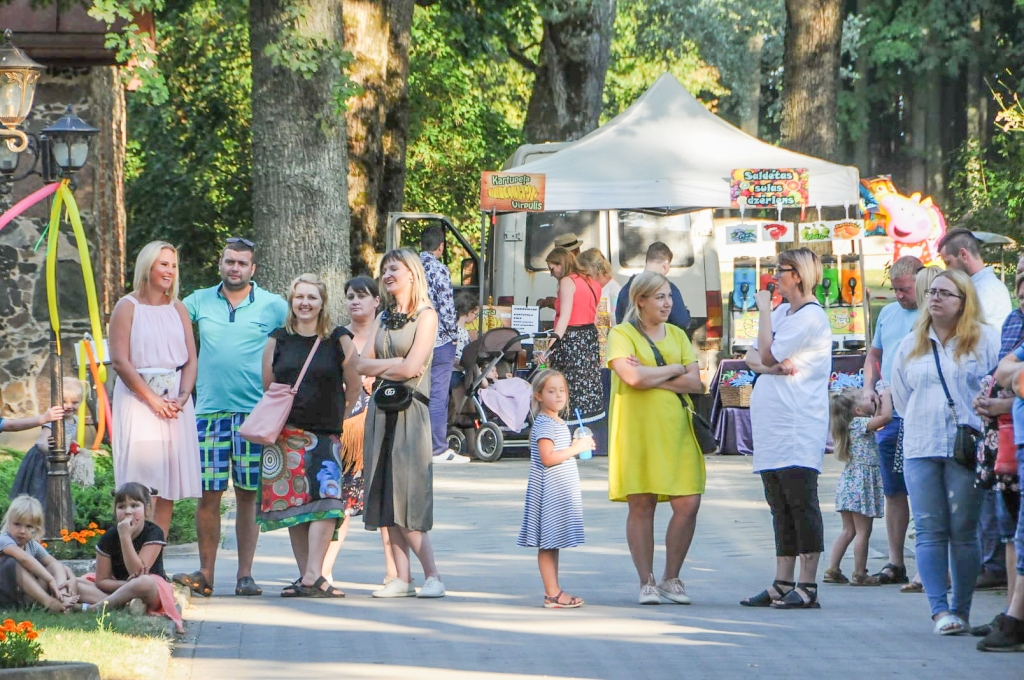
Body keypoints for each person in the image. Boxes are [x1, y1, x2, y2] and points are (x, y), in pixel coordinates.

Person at [173, 238, 287, 599]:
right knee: (209, 494)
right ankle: (205, 574)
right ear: (220, 264)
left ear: (253, 269)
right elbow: (164, 315)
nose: (234, 268)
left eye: (242, 263)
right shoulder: (198, 301)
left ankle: (245, 575)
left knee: (248, 495)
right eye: (229, 262)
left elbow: (303, 336)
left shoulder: (273, 306)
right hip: (209, 411)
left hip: (256, 416)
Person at [891, 269, 999, 635]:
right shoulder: (911, 342)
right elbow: (901, 396)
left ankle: (961, 610)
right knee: (929, 529)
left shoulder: (985, 340)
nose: (935, 298)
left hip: (966, 448)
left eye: (945, 293)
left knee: (964, 531)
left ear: (963, 302)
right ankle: (940, 611)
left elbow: (995, 388)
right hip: (920, 444)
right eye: (932, 292)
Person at [607, 271, 706, 605]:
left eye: (670, 296)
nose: (668, 303)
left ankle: (671, 577)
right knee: (642, 502)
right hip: (638, 431)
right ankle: (647, 581)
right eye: (660, 297)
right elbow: (631, 377)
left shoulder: (678, 334)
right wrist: (674, 369)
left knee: (688, 501)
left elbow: (696, 384)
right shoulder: (621, 334)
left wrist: (652, 377)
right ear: (641, 301)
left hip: (677, 429)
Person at [258, 274, 359, 598]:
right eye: (299, 297)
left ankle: (315, 574)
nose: (305, 303)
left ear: (322, 302)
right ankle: (308, 577)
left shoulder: (338, 339)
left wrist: (341, 415)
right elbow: (268, 385)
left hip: (325, 434)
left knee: (328, 503)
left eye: (311, 297)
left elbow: (353, 384)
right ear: (291, 301)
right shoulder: (278, 339)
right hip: (287, 434)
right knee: (297, 506)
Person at [741, 248, 832, 610]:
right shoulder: (782, 312)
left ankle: (808, 584)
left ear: (798, 274)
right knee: (778, 503)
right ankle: (783, 580)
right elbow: (752, 356)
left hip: (797, 422)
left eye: (779, 271)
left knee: (801, 502)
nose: (774, 277)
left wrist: (763, 315)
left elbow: (765, 354)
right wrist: (769, 366)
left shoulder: (808, 317)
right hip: (772, 424)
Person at [359, 249, 447, 599]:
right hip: (381, 410)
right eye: (384, 269)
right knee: (384, 494)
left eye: (394, 267)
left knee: (408, 495)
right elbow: (362, 363)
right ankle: (401, 577)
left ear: (411, 273)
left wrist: (385, 366)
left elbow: (412, 369)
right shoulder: (382, 317)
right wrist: (393, 363)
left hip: (411, 412)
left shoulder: (426, 316)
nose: (388, 273)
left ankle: (434, 576)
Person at [109, 241, 202, 539]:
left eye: (174, 265)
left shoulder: (178, 308)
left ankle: (155, 556)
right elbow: (121, 362)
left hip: (175, 402)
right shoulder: (127, 307)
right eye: (164, 264)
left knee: (169, 484)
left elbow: (190, 358)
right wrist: (152, 400)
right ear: (147, 266)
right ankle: (132, 552)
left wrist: (184, 396)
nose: (170, 271)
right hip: (139, 402)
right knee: (141, 484)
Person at [938, 227, 1013, 590]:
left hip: (992, 402)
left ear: (964, 257)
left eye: (949, 263)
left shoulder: (987, 293)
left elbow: (996, 353)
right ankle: (990, 561)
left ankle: (991, 563)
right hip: (986, 399)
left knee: (989, 490)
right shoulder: (987, 292)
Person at [320, 275, 398, 587]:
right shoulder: (336, 338)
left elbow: (406, 368)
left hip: (380, 423)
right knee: (340, 505)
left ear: (377, 301)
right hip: (344, 428)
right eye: (350, 295)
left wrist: (376, 377)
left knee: (386, 505)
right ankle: (322, 571)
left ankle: (395, 572)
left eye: (363, 295)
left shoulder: (387, 336)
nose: (355, 301)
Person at [861, 255, 923, 586]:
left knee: (922, 486)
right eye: (896, 290)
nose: (900, 296)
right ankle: (895, 561)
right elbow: (875, 355)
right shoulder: (887, 314)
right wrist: (867, 387)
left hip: (921, 411)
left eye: (905, 289)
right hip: (890, 410)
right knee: (893, 487)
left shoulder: (932, 314)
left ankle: (926, 565)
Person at [517, 369, 593, 608]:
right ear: (538, 396)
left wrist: (573, 445)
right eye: (551, 391)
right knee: (548, 544)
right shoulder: (545, 424)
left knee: (552, 542)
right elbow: (547, 457)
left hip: (557, 492)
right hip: (548, 493)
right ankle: (552, 593)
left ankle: (554, 590)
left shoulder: (557, 421)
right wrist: (576, 448)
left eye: (562, 390)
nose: (559, 395)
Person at [78, 483, 184, 633]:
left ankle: (96, 607)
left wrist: (125, 537)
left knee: (143, 583)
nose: (128, 512)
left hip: (149, 587)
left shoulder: (154, 533)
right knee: (77, 583)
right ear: (115, 511)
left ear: (147, 509)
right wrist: (126, 588)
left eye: (134, 506)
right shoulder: (109, 537)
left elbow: (138, 572)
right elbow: (101, 580)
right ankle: (125, 603)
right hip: (116, 587)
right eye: (121, 507)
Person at [823, 388, 891, 586]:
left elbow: (878, 420)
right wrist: (886, 395)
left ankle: (833, 569)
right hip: (862, 485)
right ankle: (860, 573)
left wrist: (876, 405)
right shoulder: (861, 423)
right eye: (864, 398)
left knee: (848, 530)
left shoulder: (851, 425)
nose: (870, 397)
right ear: (858, 411)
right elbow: (885, 418)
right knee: (863, 532)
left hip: (849, 483)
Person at [984, 322, 1024, 650]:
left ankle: (1015, 619)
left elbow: (1016, 378)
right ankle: (1013, 615)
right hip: (1016, 447)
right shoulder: (1014, 323)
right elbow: (1003, 371)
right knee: (1014, 535)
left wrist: (1015, 376)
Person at [544, 247, 605, 441]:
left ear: (561, 264)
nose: (551, 272)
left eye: (552, 268)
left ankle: (565, 435)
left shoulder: (567, 282)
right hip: (589, 338)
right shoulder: (592, 283)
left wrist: (551, 345)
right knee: (585, 386)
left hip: (571, 339)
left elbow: (565, 317)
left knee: (565, 386)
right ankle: (587, 432)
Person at [420, 226, 469, 464]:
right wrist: (452, 335)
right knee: (438, 395)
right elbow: (447, 308)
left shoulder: (411, 268)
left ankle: (415, 444)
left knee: (418, 394)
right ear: (441, 246)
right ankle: (437, 448)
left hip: (415, 339)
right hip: (439, 340)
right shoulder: (439, 269)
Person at [0, 495, 85, 612]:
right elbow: (24, 558)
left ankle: (62, 598)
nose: (22, 531)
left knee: (55, 567)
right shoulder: (4, 539)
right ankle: (50, 603)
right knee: (12, 562)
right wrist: (50, 579)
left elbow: (55, 564)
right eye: (17, 524)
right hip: (6, 594)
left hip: (27, 596)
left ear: (36, 529)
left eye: (29, 526)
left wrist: (72, 577)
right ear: (8, 523)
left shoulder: (32, 545)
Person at [9, 379, 83, 508]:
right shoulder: (54, 420)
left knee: (58, 496)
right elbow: (43, 444)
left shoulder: (75, 420)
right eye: (64, 402)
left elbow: (68, 438)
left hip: (58, 461)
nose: (69, 406)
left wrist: (72, 448)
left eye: (75, 402)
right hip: (42, 461)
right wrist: (54, 448)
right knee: (40, 495)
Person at [614, 242, 691, 332]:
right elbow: (682, 321)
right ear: (665, 266)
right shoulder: (668, 288)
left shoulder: (627, 288)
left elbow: (619, 320)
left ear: (647, 261)